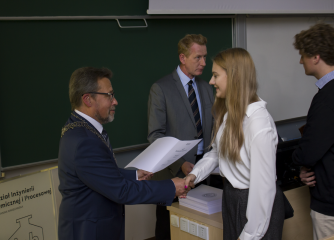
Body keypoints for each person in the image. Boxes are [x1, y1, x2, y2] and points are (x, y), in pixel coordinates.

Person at [58, 67, 192, 240]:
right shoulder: (85, 140)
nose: (115, 102)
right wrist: (171, 187)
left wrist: (134, 175)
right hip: (90, 232)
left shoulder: (79, 128)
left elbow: (98, 173)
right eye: (109, 95)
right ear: (87, 99)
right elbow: (121, 191)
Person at [183, 48, 285, 240]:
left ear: (234, 77)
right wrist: (195, 174)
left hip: (254, 204)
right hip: (231, 197)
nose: (211, 81)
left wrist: (249, 235)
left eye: (215, 75)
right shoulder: (231, 114)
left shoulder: (259, 123)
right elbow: (216, 153)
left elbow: (263, 189)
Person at [148, 34, 221, 239]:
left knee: (202, 226)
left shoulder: (207, 87)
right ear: (182, 58)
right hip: (173, 171)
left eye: (205, 57)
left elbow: (214, 127)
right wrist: (180, 164)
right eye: (198, 57)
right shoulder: (161, 89)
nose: (204, 63)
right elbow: (155, 136)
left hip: (206, 168)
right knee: (168, 227)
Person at [292, 23, 334, 240]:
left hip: (330, 204)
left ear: (316, 56)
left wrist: (299, 161)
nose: (301, 61)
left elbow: (309, 151)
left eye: (303, 55)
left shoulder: (327, 98)